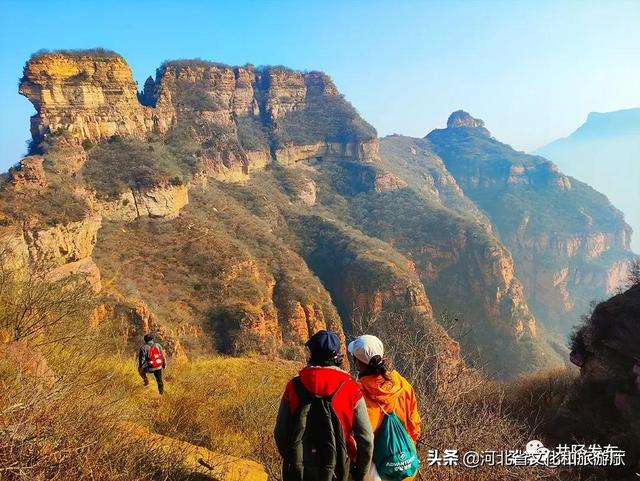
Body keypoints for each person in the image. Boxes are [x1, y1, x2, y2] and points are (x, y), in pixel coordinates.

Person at [274, 330, 374, 481]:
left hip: (301, 471)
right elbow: (366, 438)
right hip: (339, 470)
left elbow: (280, 432)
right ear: (337, 356)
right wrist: (359, 473)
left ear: (312, 354)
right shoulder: (350, 388)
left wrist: (293, 459)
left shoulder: (294, 386)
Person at [348, 335, 421, 479]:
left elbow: (355, 442)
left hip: (377, 473)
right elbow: (415, 426)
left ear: (358, 362)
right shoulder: (402, 384)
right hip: (406, 467)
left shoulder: (356, 394)